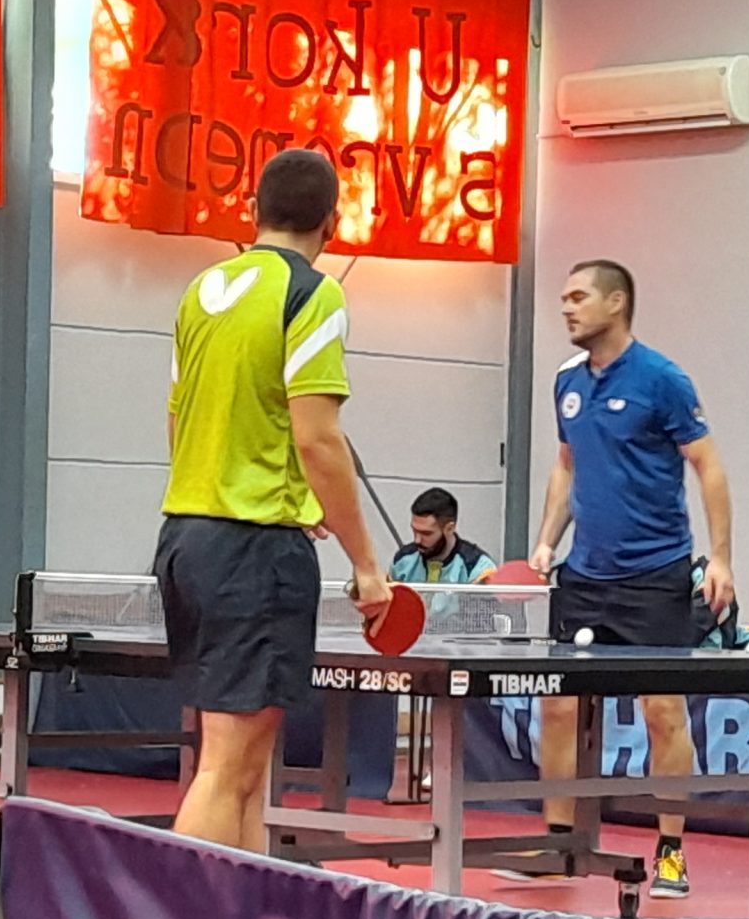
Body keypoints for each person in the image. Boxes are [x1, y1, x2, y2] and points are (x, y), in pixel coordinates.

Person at [156, 148, 388, 855]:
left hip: (187, 541)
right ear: (332, 223)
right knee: (226, 770)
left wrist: (280, 494)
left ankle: (245, 917)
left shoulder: (201, 291)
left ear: (252, 211)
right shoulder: (312, 293)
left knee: (248, 773)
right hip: (251, 551)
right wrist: (367, 564)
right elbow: (317, 437)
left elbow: (180, 420)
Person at [524, 260, 735, 899]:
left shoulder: (662, 379)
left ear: (616, 303)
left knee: (662, 713)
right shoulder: (566, 381)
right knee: (558, 706)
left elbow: (707, 466)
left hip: (654, 573)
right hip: (584, 574)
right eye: (564, 297)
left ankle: (670, 852)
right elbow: (566, 464)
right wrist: (547, 538)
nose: (566, 307)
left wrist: (720, 558)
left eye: (578, 296)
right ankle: (559, 844)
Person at [391, 487, 497, 584]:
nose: (417, 540)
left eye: (426, 533)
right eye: (414, 531)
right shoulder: (402, 560)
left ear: (449, 529)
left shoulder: (477, 567)